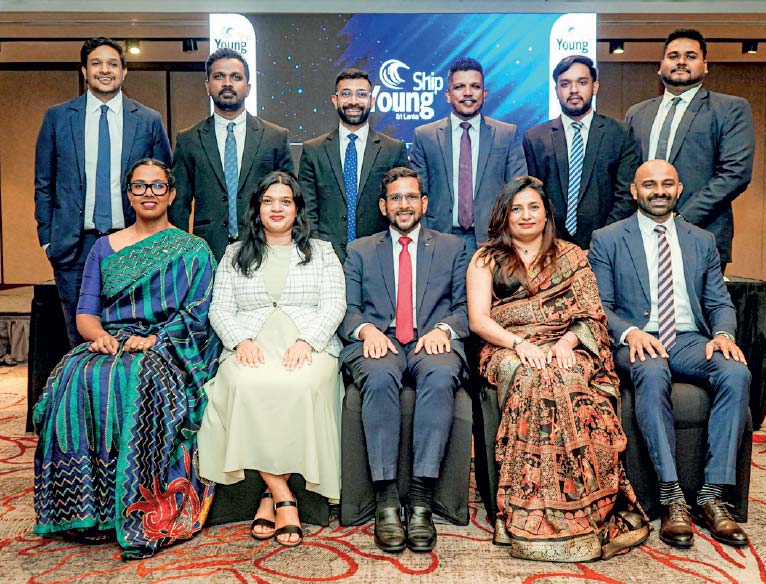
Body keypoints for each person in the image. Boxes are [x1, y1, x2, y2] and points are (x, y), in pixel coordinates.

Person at [33, 159, 220, 559]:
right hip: (110, 342)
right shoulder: (103, 247)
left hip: (164, 346)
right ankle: (86, 510)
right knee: (79, 376)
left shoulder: (194, 250)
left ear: (171, 193)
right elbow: (86, 314)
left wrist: (156, 339)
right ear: (128, 194)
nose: (149, 193)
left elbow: (198, 313)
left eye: (158, 186)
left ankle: (138, 509)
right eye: (139, 186)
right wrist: (99, 337)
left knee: (136, 379)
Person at [466, 176, 649, 562]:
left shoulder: (571, 256)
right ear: (504, 216)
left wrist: (566, 343)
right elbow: (479, 320)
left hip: (567, 343)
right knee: (530, 376)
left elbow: (590, 315)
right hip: (507, 344)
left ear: (547, 213)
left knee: (568, 378)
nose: (526, 215)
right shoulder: (486, 258)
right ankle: (521, 508)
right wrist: (520, 345)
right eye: (516, 208)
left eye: (534, 207)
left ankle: (586, 506)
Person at [588, 159, 751, 549]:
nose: (658, 191)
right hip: (637, 340)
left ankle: (712, 495)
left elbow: (718, 302)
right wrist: (629, 332)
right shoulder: (608, 238)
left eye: (666, 184)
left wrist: (723, 334)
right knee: (652, 369)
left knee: (735, 371)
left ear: (678, 189)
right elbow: (599, 305)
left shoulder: (701, 240)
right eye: (649, 184)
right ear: (634, 191)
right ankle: (671, 495)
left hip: (689, 340)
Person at [197, 171, 346, 548]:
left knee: (302, 385)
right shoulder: (234, 253)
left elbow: (335, 305)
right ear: (257, 208)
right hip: (251, 346)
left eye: (285, 201)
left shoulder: (322, 251)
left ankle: (269, 496)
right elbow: (219, 309)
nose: (276, 208)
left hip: (308, 346)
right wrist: (240, 340)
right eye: (268, 201)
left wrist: (308, 341)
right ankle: (282, 495)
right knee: (244, 384)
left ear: (297, 209)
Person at [339, 167, 468, 554]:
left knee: (441, 375)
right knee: (378, 378)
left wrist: (443, 330)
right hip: (381, 339)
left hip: (431, 339)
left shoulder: (452, 247)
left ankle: (421, 501)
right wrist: (367, 331)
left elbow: (465, 309)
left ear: (424, 203)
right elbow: (348, 310)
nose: (404, 204)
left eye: (411, 196)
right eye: (395, 197)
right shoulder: (360, 250)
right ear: (383, 206)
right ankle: (387, 501)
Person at [34, 37, 172, 347]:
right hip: (74, 246)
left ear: (124, 72)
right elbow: (44, 182)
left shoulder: (148, 120)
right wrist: (47, 239)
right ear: (84, 71)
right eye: (96, 64)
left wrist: (160, 240)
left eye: (112, 64)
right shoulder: (58, 118)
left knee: (134, 331)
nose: (105, 70)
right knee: (81, 338)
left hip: (133, 242)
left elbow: (164, 182)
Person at [624, 28, 754, 271]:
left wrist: (681, 219)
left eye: (691, 56)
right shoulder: (637, 113)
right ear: (660, 66)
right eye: (673, 56)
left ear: (705, 66)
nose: (681, 61)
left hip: (702, 233)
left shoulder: (730, 109)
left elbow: (735, 173)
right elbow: (627, 174)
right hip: (641, 235)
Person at [170, 48, 294, 260]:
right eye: (219, 76)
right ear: (207, 85)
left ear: (248, 87)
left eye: (236, 77)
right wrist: (182, 254)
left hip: (263, 247)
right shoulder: (188, 140)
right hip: (207, 250)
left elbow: (289, 198)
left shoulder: (274, 137)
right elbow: (179, 205)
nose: (227, 83)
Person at [410, 57, 527, 257]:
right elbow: (417, 194)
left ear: (484, 94)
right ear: (448, 95)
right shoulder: (425, 136)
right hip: (438, 240)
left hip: (493, 241)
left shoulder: (506, 134)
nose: (468, 93)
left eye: (475, 86)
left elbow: (518, 191)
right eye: (459, 87)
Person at [523, 55, 639, 250]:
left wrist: (602, 241)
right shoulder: (535, 138)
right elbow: (533, 197)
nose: (574, 90)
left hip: (606, 246)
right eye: (565, 84)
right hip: (550, 247)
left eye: (582, 82)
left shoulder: (620, 134)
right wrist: (552, 243)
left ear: (595, 87)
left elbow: (626, 195)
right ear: (556, 90)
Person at [299, 68, 410, 262]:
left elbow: (401, 205)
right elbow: (307, 209)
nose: (353, 101)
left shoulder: (393, 150)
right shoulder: (313, 150)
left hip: (380, 256)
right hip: (326, 257)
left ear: (371, 101)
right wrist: (318, 253)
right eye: (346, 94)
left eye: (361, 94)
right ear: (335, 100)